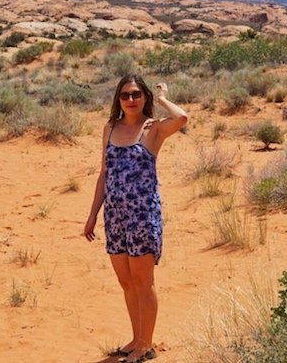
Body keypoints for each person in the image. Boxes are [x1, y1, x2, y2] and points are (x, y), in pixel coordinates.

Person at [84, 75, 188, 363]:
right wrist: (93, 214)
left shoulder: (153, 129)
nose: (131, 100)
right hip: (115, 216)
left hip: (142, 217)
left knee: (144, 282)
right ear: (118, 99)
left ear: (145, 98)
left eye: (136, 94)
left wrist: (164, 97)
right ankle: (136, 338)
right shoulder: (110, 128)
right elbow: (104, 173)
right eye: (125, 95)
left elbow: (182, 118)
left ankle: (146, 344)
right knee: (127, 282)